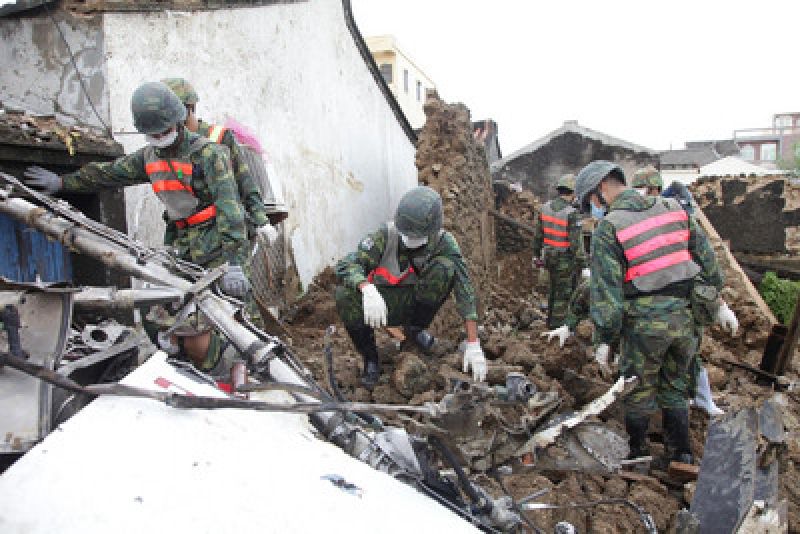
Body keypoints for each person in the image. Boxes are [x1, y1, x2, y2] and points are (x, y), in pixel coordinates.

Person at [23, 81, 252, 374]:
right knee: (159, 312)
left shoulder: (210, 155)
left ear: (178, 121)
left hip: (217, 240)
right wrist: (63, 182)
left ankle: (240, 366)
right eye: (152, 133)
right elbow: (108, 173)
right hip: (181, 242)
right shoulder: (149, 157)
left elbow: (230, 209)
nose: (158, 137)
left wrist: (234, 263)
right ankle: (190, 364)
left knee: (231, 310)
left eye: (162, 130)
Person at [574, 160, 726, 465]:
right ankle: (681, 454)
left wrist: (604, 338)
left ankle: (637, 455)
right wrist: (712, 305)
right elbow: (711, 268)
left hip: (644, 327)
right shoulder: (674, 207)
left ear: (603, 187)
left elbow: (607, 294)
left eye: (591, 199)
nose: (593, 207)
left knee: (638, 391)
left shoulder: (610, 226)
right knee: (676, 387)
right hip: (685, 322)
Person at [334, 186, 486, 389]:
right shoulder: (385, 234)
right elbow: (347, 264)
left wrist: (473, 343)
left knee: (445, 269)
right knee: (344, 294)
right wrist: (366, 289)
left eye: (416, 235)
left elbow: (464, 288)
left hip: (416, 304)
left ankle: (415, 331)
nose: (409, 239)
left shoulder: (444, 243)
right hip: (382, 305)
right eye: (406, 233)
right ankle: (371, 359)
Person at [633, 166, 737, 416]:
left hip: (683, 300)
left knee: (687, 354)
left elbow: (705, 268)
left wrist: (720, 305)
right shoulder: (635, 220)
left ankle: (698, 400)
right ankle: (677, 403)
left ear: (655, 189)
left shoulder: (676, 215)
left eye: (645, 190)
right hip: (651, 304)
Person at [160, 77, 278, 246]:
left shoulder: (219, 138)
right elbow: (174, 198)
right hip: (187, 241)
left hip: (225, 237)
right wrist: (170, 241)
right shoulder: (167, 145)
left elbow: (245, 181)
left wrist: (261, 221)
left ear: (190, 109)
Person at [532, 174, 588, 329]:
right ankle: (557, 327)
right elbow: (576, 243)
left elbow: (538, 235)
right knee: (563, 295)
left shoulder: (545, 208)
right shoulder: (571, 213)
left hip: (549, 257)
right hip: (564, 259)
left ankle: (549, 322)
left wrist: (536, 254)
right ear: (573, 192)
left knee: (553, 289)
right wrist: (583, 265)